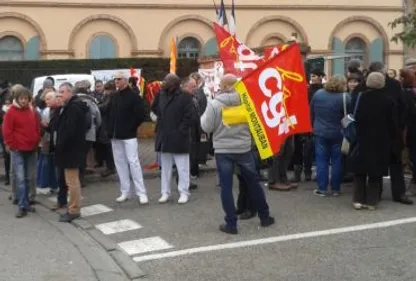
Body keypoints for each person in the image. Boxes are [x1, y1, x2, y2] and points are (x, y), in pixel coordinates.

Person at [201, 73, 274, 234]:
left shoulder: (214, 104)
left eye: (221, 83)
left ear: (226, 86)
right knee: (253, 183)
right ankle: (265, 217)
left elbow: (206, 127)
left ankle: (231, 224)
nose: (219, 85)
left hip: (223, 150)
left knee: (226, 188)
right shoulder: (247, 102)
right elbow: (255, 125)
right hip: (243, 148)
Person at [368, 62, 413, 205]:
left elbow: (403, 105)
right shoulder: (368, 85)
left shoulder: (394, 84)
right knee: (376, 164)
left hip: (394, 130)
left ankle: (399, 193)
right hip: (376, 131)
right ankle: (376, 193)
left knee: (396, 163)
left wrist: (400, 125)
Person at [352, 72, 395, 210]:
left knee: (360, 171)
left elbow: (355, 117)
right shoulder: (389, 99)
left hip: (361, 137)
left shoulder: (360, 97)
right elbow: (392, 123)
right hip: (381, 139)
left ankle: (358, 199)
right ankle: (372, 201)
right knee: (375, 172)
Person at [152, 74, 194, 204]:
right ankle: (165, 192)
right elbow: (154, 108)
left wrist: (180, 130)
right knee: (165, 168)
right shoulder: (161, 94)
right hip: (164, 135)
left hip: (179, 137)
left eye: (166, 80)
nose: (163, 82)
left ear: (173, 83)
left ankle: (184, 192)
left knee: (182, 167)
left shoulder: (185, 97)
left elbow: (189, 116)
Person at [106, 71, 148, 204]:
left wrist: (132, 127)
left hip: (129, 135)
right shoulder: (114, 96)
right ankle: (125, 191)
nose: (116, 81)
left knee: (134, 163)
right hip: (115, 135)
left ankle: (141, 192)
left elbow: (141, 114)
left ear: (125, 80)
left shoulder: (134, 97)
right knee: (120, 164)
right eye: (115, 79)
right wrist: (110, 129)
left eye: (119, 79)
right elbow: (109, 113)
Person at [2, 85, 40, 218]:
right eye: (21, 98)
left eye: (26, 98)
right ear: (16, 99)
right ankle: (22, 206)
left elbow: (36, 126)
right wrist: (13, 145)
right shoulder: (11, 112)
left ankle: (26, 202)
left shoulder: (31, 110)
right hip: (18, 149)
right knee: (20, 178)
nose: (24, 101)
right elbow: (7, 131)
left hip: (31, 148)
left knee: (29, 177)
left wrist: (36, 140)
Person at [55, 82, 88, 222]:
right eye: (59, 92)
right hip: (71, 149)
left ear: (70, 92)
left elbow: (69, 131)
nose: (59, 95)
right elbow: (57, 125)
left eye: (62, 92)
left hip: (71, 150)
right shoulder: (68, 107)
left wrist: (61, 145)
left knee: (72, 181)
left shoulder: (73, 108)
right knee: (72, 180)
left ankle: (74, 209)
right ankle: (72, 207)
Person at [310, 75, 346, 197]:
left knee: (321, 160)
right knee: (336, 160)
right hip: (338, 132)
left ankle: (322, 188)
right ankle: (336, 189)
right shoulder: (345, 97)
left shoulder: (318, 94)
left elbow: (312, 112)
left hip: (320, 131)